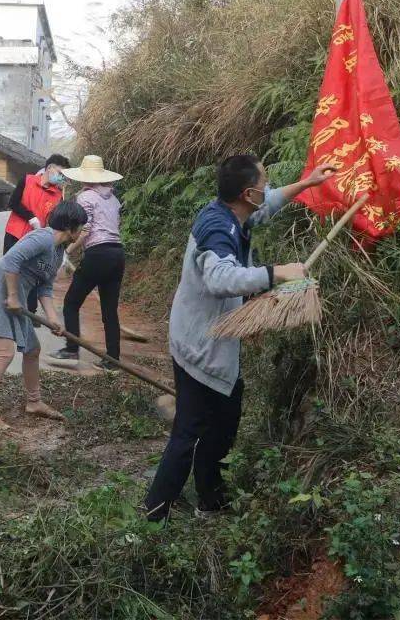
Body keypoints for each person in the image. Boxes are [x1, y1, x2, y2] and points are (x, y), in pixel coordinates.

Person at [142, 155, 334, 521]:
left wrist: (307, 183)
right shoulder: (218, 229)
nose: (268, 186)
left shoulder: (234, 213)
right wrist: (278, 272)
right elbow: (221, 280)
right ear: (247, 193)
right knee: (191, 433)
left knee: (224, 422)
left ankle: (210, 502)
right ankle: (153, 516)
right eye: (264, 181)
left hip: (212, 338)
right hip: (201, 344)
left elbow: (267, 205)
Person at [0, 200, 88, 431]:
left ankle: (34, 402)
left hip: (17, 299)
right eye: (81, 227)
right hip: (0, 292)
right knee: (4, 353)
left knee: (32, 350)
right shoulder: (43, 238)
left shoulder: (58, 251)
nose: (82, 232)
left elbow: (44, 286)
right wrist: (12, 296)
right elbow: (10, 261)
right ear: (71, 227)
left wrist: (53, 317)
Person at [48, 155, 126, 369]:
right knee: (109, 311)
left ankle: (72, 349)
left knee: (71, 302)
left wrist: (68, 251)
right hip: (117, 254)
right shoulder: (114, 198)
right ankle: (113, 360)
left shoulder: (85, 198)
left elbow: (85, 230)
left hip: (98, 254)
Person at [4, 154, 72, 314]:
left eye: (64, 176)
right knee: (10, 271)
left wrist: (61, 252)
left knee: (32, 276)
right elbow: (13, 203)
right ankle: (7, 305)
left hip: (37, 243)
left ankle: (29, 313)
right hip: (15, 235)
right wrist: (31, 217)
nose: (61, 178)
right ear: (49, 168)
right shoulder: (27, 181)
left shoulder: (57, 196)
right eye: (60, 173)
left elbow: (57, 225)